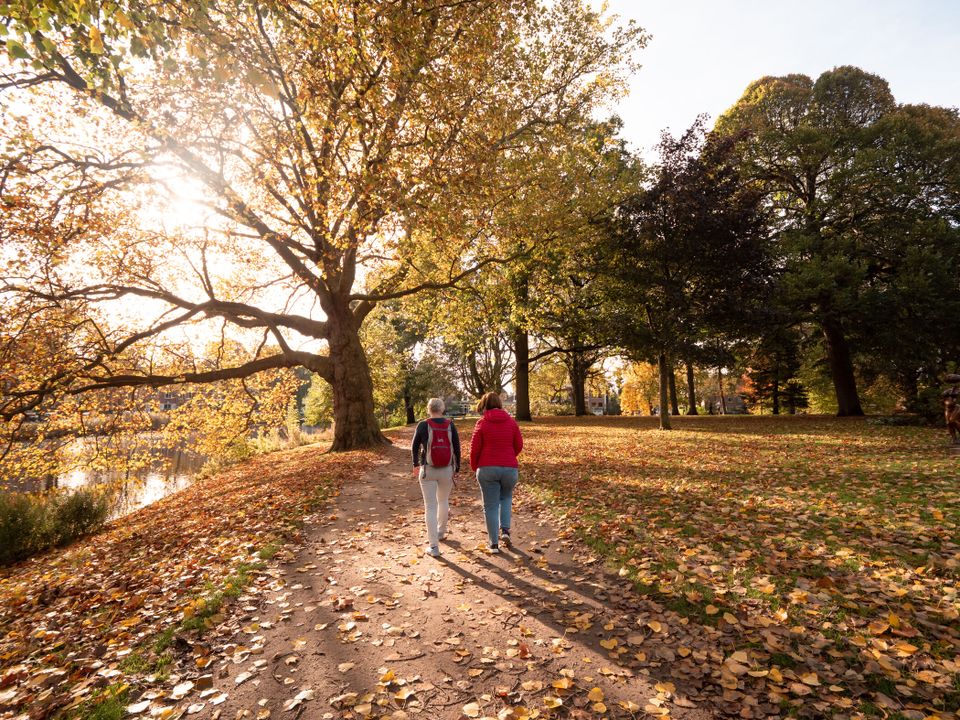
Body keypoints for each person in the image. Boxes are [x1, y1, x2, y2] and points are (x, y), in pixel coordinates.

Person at [470, 392, 523, 553]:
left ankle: (493, 544)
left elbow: (475, 449)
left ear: (484, 405)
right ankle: (505, 531)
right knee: (506, 498)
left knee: (491, 506)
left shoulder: (482, 423)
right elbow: (519, 444)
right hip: (509, 468)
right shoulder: (511, 422)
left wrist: (475, 466)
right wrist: (508, 457)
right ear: (499, 404)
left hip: (487, 468)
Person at [411, 398, 461, 557]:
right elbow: (457, 447)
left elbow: (414, 446)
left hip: (428, 469)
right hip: (446, 469)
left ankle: (434, 546)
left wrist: (415, 464)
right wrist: (456, 468)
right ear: (442, 409)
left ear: (428, 409)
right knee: (443, 501)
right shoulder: (450, 425)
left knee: (430, 506)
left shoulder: (422, 425)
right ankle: (441, 532)